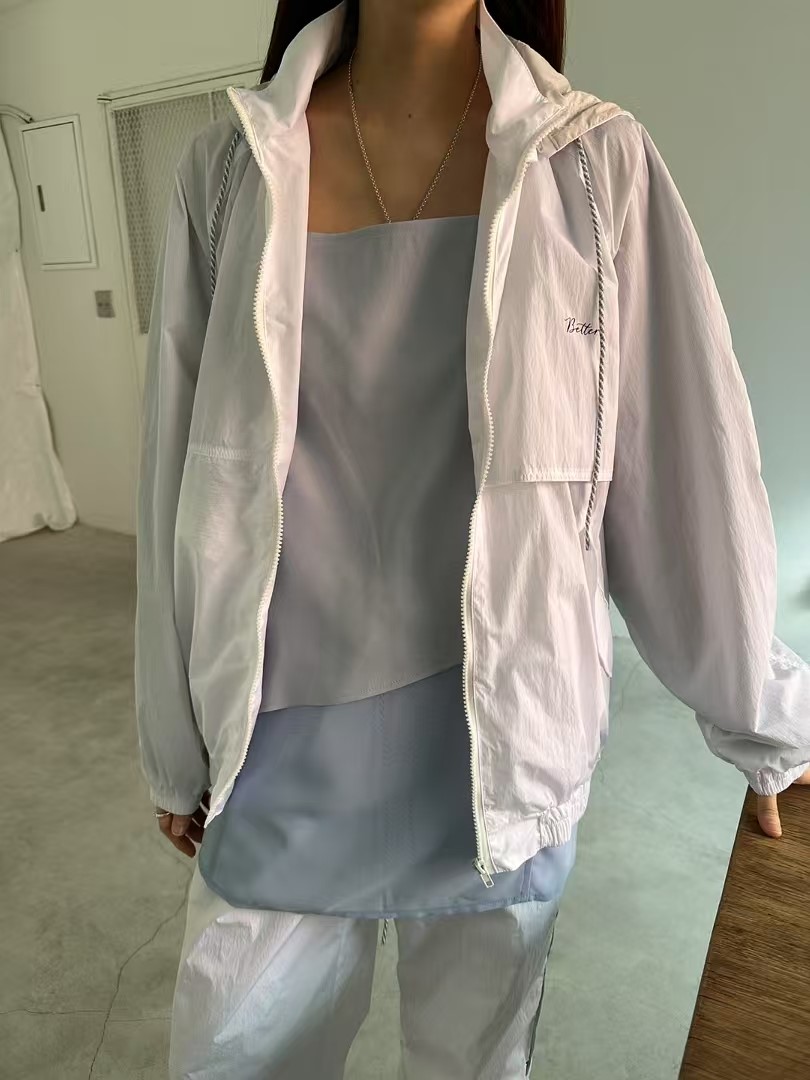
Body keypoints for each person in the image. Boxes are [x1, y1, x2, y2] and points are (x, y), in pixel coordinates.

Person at [134, 0, 810, 1076]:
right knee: (233, 1051)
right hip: (274, 748)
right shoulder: (228, 171)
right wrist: (175, 745)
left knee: (477, 1062)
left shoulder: (593, 166)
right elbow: (182, 468)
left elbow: (686, 466)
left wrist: (763, 716)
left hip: (501, 752)